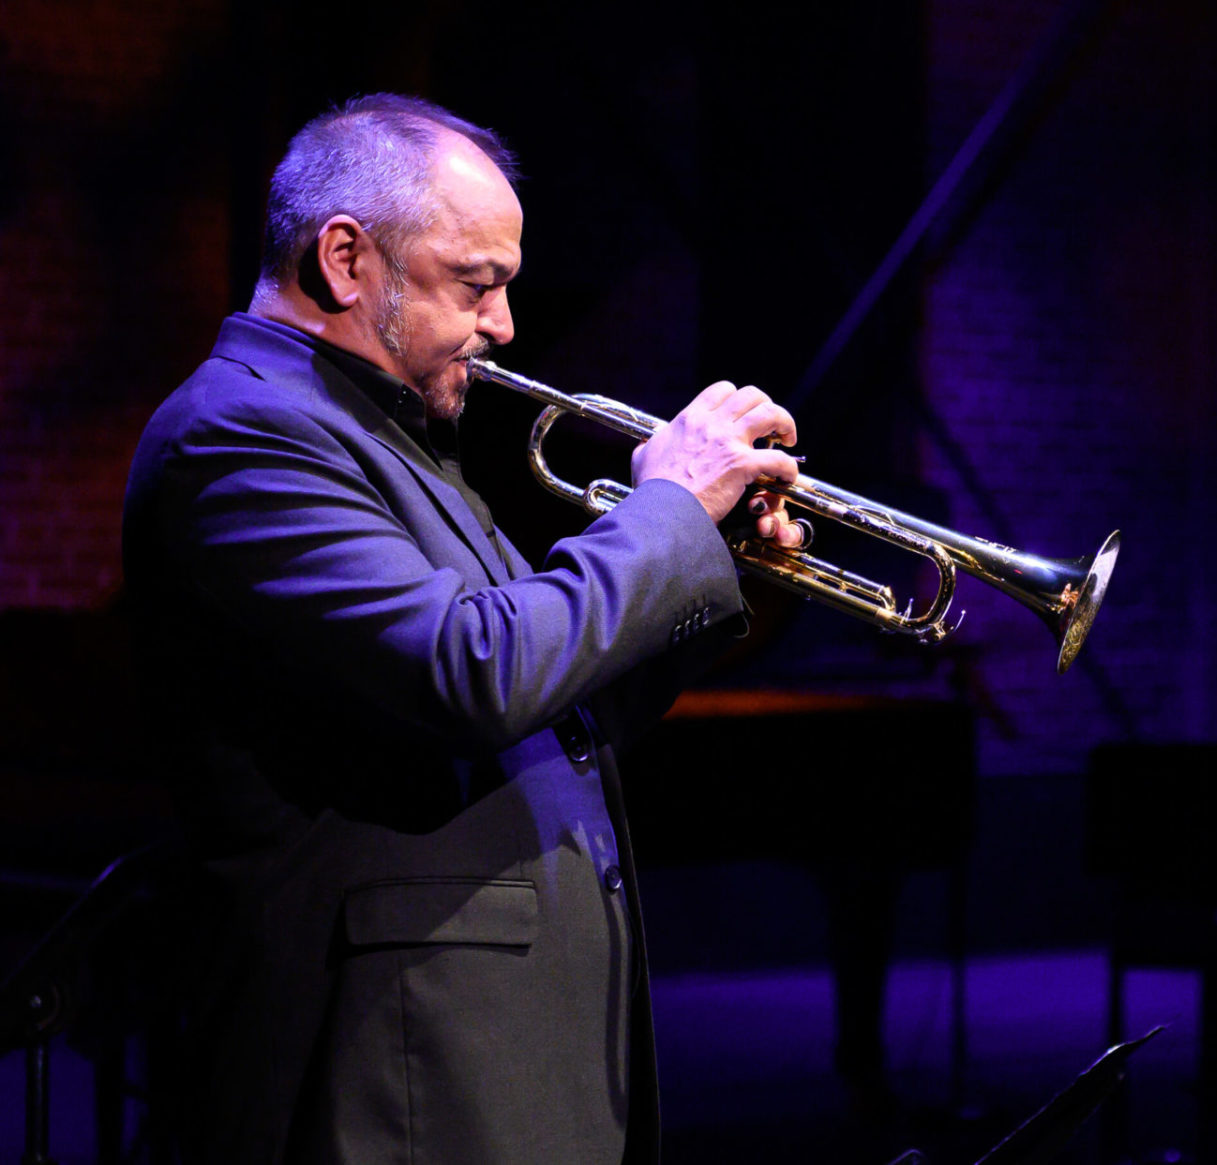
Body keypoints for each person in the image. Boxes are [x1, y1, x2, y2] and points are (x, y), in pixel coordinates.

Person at [124, 93, 804, 1164]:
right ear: (346, 259)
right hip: (400, 1078)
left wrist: (726, 567)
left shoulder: (387, 437)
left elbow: (553, 715)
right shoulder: (239, 435)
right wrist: (667, 511)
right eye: (476, 284)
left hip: (501, 1063)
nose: (504, 325)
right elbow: (473, 670)